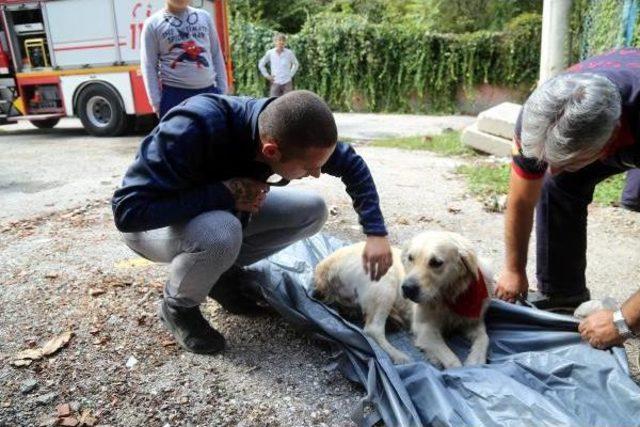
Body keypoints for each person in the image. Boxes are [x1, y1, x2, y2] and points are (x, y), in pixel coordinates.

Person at [111, 90, 393, 355]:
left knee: (313, 210)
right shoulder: (194, 129)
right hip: (151, 226)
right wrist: (224, 194)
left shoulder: (290, 131)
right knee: (223, 231)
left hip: (218, 210)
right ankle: (178, 307)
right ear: (271, 151)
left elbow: (352, 165)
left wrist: (376, 233)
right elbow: (128, 212)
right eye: (309, 168)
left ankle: (220, 275)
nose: (318, 173)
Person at [494, 48, 640, 349]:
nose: (553, 168)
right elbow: (521, 201)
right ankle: (563, 294)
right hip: (611, 114)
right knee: (556, 184)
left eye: (568, 160)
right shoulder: (541, 114)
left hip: (633, 118)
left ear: (610, 141)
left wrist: (623, 321)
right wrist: (513, 269)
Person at [140, 0, 228, 118]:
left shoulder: (205, 17)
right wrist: (156, 103)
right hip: (175, 97)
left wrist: (222, 91)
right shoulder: (153, 24)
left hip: (209, 93)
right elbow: (149, 66)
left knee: (215, 136)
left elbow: (216, 54)